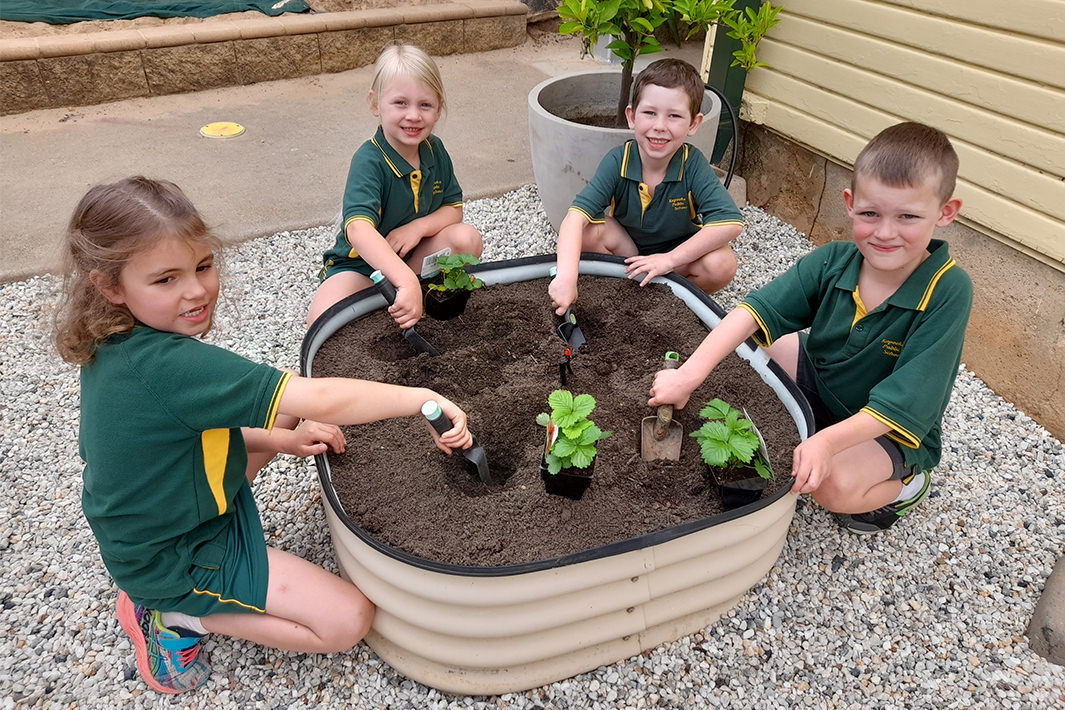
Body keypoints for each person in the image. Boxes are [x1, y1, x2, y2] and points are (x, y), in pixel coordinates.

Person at [55, 177, 474, 694]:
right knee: (346, 620)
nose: (195, 290)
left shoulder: (119, 341)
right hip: (172, 554)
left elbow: (182, 437)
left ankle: (183, 586)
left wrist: (279, 442)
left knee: (280, 418)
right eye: (166, 280)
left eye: (203, 267)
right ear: (110, 286)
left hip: (165, 513)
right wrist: (421, 399)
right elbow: (320, 398)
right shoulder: (169, 366)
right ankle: (172, 614)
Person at [648, 122, 972, 534]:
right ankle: (814, 424)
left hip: (886, 426)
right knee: (755, 350)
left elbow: (904, 404)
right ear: (851, 203)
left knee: (832, 487)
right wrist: (687, 377)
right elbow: (752, 313)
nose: (885, 233)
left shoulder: (948, 291)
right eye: (871, 214)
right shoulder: (833, 260)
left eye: (908, 216)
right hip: (825, 379)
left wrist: (824, 443)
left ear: (945, 212)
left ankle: (906, 487)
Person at [549, 58, 744, 316]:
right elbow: (575, 218)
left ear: (694, 124)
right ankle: (624, 288)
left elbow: (731, 223)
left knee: (722, 263)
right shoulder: (618, 161)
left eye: (674, 116)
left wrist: (668, 260)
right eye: (649, 113)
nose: (659, 126)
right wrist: (566, 277)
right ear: (631, 117)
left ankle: (670, 301)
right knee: (587, 231)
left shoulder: (693, 164)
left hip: (676, 261)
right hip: (627, 255)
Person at [307, 44, 483, 326]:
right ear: (375, 104)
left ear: (439, 109)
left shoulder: (434, 150)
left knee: (467, 239)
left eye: (424, 105)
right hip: (359, 269)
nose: (413, 115)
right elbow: (358, 229)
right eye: (400, 103)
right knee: (321, 320)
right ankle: (403, 292)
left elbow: (453, 208)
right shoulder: (369, 160)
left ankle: (413, 294)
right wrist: (404, 281)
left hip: (410, 259)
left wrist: (418, 228)